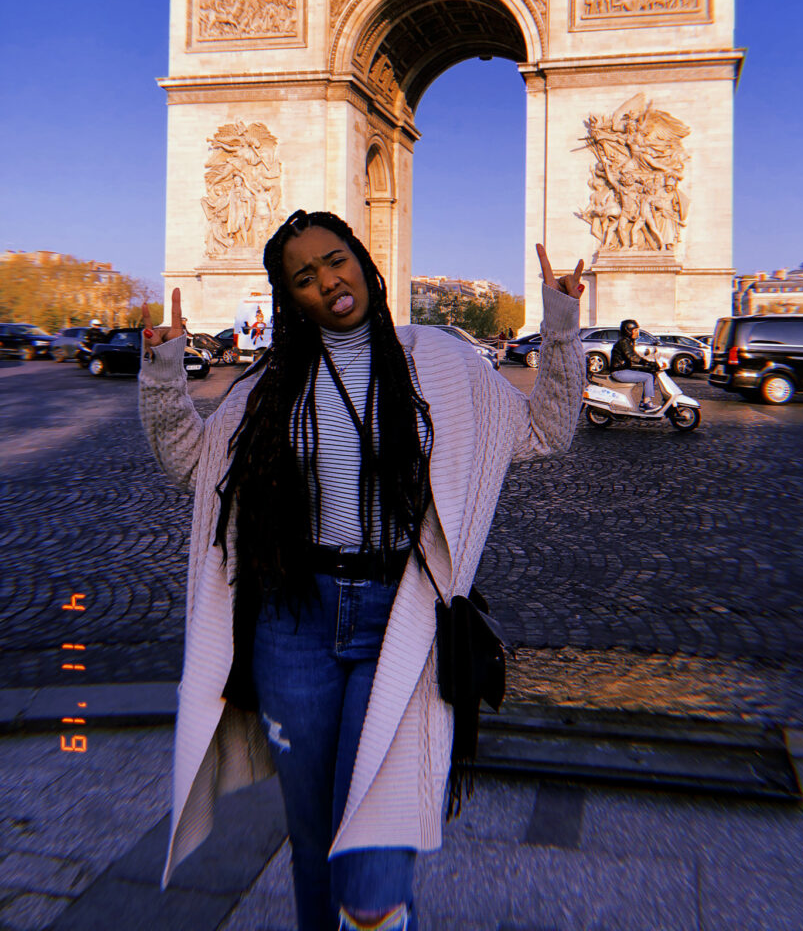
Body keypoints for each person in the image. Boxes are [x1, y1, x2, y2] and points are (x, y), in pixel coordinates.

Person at [138, 209, 585, 931]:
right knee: (313, 842)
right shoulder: (268, 386)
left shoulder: (439, 357)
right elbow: (191, 460)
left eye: (336, 259)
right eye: (305, 277)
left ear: (363, 260)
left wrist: (561, 324)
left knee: (373, 867)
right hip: (293, 624)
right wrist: (163, 371)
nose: (329, 282)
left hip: (398, 618)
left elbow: (546, 430)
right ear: (291, 299)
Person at [609, 317, 660, 410]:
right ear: (628, 331)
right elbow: (631, 356)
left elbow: (632, 357)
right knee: (648, 377)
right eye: (635, 330)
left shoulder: (628, 342)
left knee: (650, 373)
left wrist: (646, 365)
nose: (638, 332)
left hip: (623, 369)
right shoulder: (623, 342)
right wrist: (646, 363)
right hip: (619, 372)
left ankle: (644, 401)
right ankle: (646, 403)